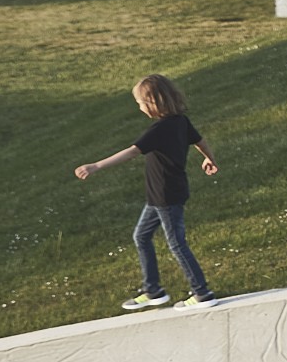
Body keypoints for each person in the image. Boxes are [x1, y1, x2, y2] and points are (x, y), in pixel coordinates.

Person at [72, 74, 222, 310]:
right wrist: (208, 159)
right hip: (161, 195)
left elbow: (132, 152)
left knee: (176, 244)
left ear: (153, 103)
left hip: (165, 195)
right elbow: (200, 141)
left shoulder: (160, 129)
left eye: (140, 103)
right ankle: (153, 291)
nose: (139, 108)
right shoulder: (181, 121)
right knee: (141, 236)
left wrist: (96, 166)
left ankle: (202, 293)